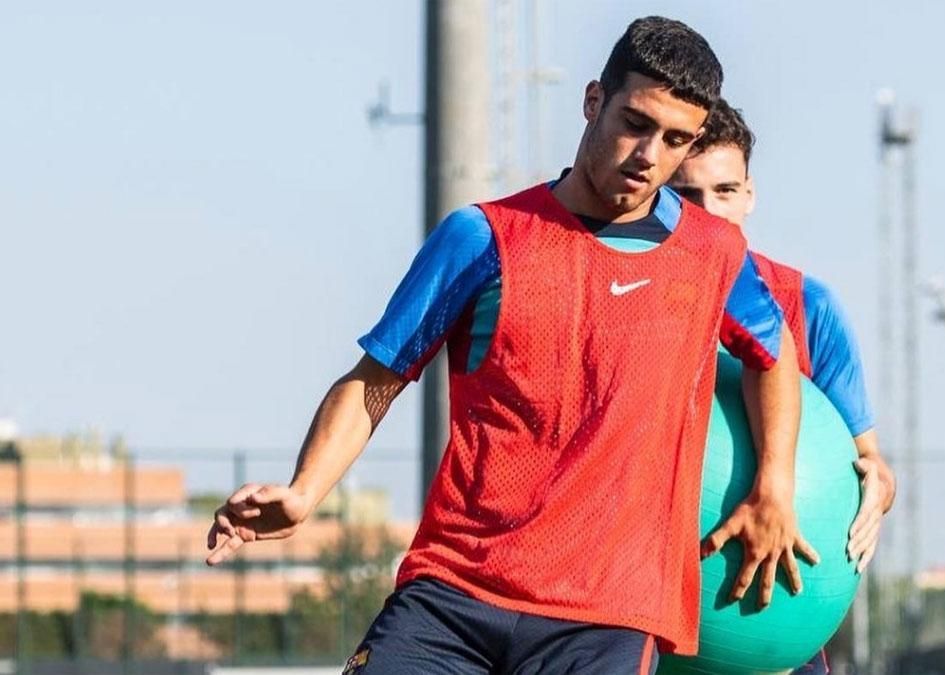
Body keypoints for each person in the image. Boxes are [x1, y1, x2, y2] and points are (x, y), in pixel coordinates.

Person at [206, 17, 814, 675]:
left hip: (605, 618)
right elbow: (373, 382)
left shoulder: (713, 253)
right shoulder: (484, 236)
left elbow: (772, 352)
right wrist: (304, 490)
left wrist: (775, 483)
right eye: (635, 123)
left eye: (675, 140)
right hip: (453, 593)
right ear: (593, 101)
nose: (648, 155)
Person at [669, 99, 897, 675]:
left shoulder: (808, 306)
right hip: (639, 627)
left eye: (724, 191)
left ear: (749, 194)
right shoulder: (636, 297)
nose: (708, 212)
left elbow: (870, 461)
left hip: (775, 635)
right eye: (687, 194)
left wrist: (878, 488)